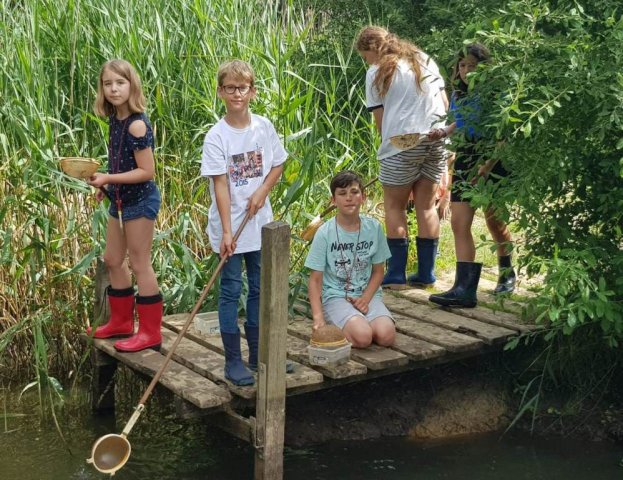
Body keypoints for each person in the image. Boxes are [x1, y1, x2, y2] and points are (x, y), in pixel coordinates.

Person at [201, 59, 286, 386]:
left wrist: (263, 190)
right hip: (230, 228)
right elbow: (220, 184)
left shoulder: (263, 126)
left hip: (259, 224)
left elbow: (277, 164)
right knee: (231, 290)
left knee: (259, 290)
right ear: (221, 92)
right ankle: (233, 362)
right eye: (230, 88)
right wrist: (225, 231)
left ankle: (258, 355)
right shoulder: (216, 136)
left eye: (243, 87)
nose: (237, 93)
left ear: (253, 91)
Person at [355, 26, 448, 290]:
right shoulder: (423, 58)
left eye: (365, 56)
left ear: (372, 50)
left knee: (394, 207)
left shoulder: (377, 71)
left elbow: (381, 120)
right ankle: (426, 274)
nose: (367, 61)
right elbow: (444, 101)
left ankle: (396, 275)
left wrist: (388, 150)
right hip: (436, 137)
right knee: (426, 206)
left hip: (401, 142)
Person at [428, 43, 516, 308]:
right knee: (459, 222)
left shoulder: (497, 94)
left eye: (472, 65)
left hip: (492, 159)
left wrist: (486, 166)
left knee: (495, 221)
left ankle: (507, 272)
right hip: (467, 158)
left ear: (485, 68)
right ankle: (464, 289)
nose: (466, 70)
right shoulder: (460, 93)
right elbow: (460, 122)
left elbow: (504, 136)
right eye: (462, 65)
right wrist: (443, 132)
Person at [86, 59, 163, 352]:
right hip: (119, 198)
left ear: (132, 86)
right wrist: (108, 185)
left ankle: (150, 332)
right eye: (108, 84)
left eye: (120, 83)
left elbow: (146, 171)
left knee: (140, 264)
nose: (114, 89)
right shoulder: (116, 120)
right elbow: (122, 162)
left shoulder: (137, 125)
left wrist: (109, 176)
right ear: (102, 89)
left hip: (141, 201)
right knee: (112, 259)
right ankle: (120, 322)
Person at [305, 171, 396, 348]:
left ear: (363, 196)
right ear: (333, 200)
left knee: (386, 336)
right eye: (342, 193)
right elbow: (315, 280)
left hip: (367, 295)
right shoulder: (325, 233)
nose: (349, 198)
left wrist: (365, 298)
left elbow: (378, 271)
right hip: (336, 296)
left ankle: (360, 321)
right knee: (363, 338)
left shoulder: (374, 227)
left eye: (354, 192)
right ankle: (352, 323)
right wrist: (318, 317)